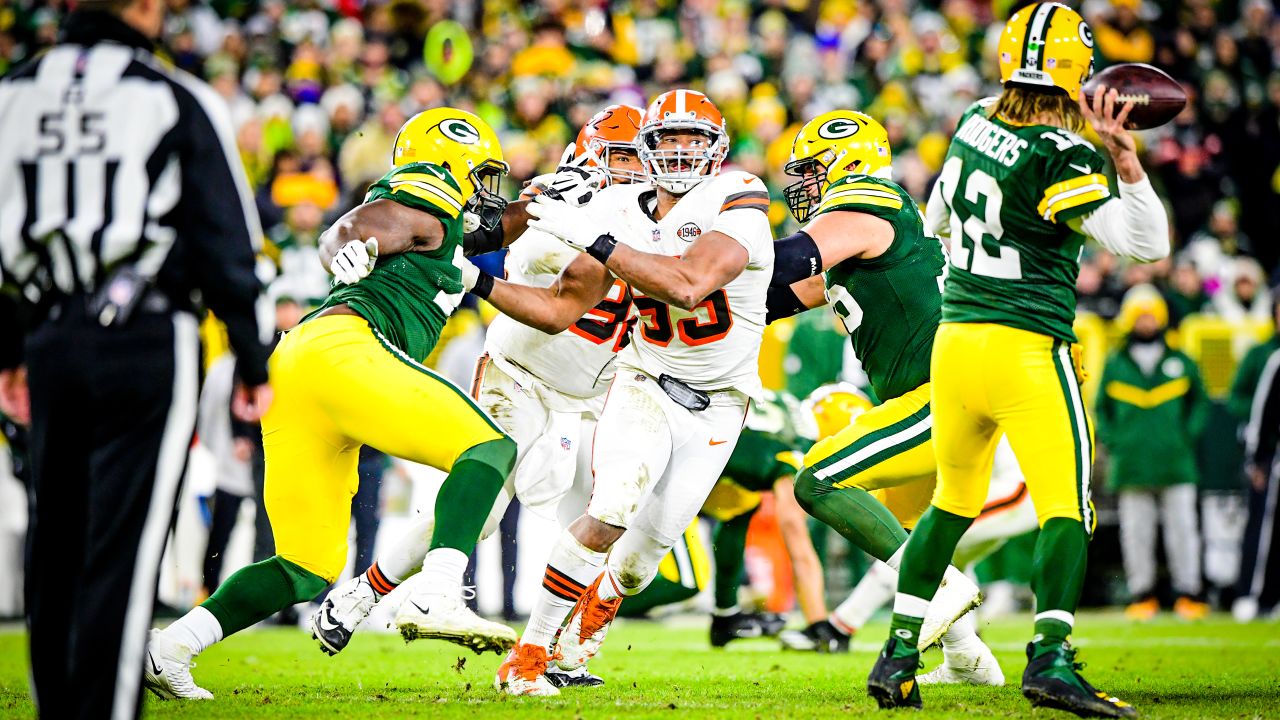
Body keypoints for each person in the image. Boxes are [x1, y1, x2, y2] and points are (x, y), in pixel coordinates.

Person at [143, 108, 526, 701]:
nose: (485, 189)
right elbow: (348, 228)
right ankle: (438, 590)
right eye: (481, 173)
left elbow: (495, 230)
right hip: (345, 351)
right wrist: (341, 244)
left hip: (300, 370)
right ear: (453, 160)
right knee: (490, 445)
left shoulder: (440, 229)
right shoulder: (429, 186)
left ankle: (172, 647)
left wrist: (560, 203)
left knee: (306, 564)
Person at [866, 3, 1170, 716]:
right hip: (1025, 347)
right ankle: (1052, 658)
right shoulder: (1060, 152)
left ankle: (899, 652)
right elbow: (1145, 246)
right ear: (1077, 70)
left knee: (951, 503)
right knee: (1067, 505)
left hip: (956, 343)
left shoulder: (975, 119)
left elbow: (937, 216)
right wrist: (1125, 159)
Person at [0, 0, 273, 716]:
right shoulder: (172, 95)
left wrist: (10, 348)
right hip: (146, 338)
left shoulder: (11, 94)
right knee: (121, 548)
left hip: (47, 332)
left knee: (53, 540)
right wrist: (253, 360)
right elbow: (228, 243)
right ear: (148, 8)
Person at [305, 106, 637, 693]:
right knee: (480, 515)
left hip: (595, 390)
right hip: (524, 370)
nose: (631, 170)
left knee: (619, 518)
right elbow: (475, 234)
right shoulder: (558, 199)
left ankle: (558, 651)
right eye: (621, 156)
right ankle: (369, 597)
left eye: (640, 157)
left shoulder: (665, 219)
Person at [466, 89, 775, 696]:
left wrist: (598, 237)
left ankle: (581, 641)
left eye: (694, 140)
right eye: (669, 139)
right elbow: (562, 309)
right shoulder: (616, 205)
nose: (682, 153)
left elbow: (689, 286)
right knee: (607, 512)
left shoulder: (737, 198)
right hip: (645, 380)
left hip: (722, 399)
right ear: (646, 148)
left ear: (717, 150)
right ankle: (528, 658)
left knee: (636, 567)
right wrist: (469, 266)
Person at [766, 109, 1002, 684]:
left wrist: (712, 258)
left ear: (848, 159)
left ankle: (943, 595)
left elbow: (787, 261)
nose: (802, 183)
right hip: (937, 389)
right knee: (915, 527)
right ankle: (970, 660)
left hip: (942, 389)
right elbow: (776, 296)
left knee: (819, 479)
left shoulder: (869, 199)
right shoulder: (871, 228)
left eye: (811, 169)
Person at [1095, 287, 1210, 621]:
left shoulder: (1181, 359)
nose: (1146, 321)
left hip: (1176, 462)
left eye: (1151, 314)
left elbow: (1200, 404)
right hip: (1131, 465)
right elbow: (1102, 410)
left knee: (1184, 530)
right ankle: (1142, 595)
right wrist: (1117, 442)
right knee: (1136, 533)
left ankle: (1189, 593)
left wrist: (1185, 436)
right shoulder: (1116, 363)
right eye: (1139, 315)